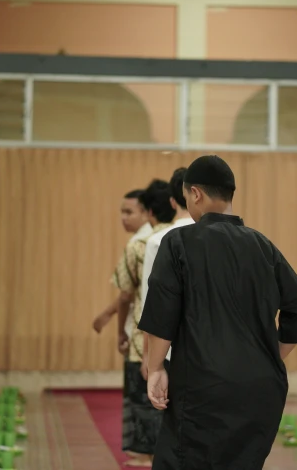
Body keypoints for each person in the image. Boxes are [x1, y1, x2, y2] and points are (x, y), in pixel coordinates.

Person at [138, 155, 297, 470]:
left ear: (194, 194)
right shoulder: (263, 246)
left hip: (202, 388)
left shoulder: (179, 242)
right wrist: (268, 356)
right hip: (261, 390)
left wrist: (156, 369)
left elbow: (162, 313)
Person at [112, 180, 176, 467]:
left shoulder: (142, 245)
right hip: (180, 333)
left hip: (145, 332)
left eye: (129, 212)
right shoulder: (186, 237)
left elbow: (130, 293)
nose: (124, 218)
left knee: (144, 393)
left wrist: (118, 330)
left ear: (149, 211)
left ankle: (146, 451)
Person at [139, 167, 193, 377]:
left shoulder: (157, 241)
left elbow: (150, 302)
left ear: (173, 201)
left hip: (169, 350)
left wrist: (148, 357)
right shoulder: (218, 239)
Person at [92, 189, 151, 335]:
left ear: (146, 213)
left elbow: (127, 293)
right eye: (122, 213)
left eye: (129, 212)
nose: (123, 218)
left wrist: (107, 314)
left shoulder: (139, 244)